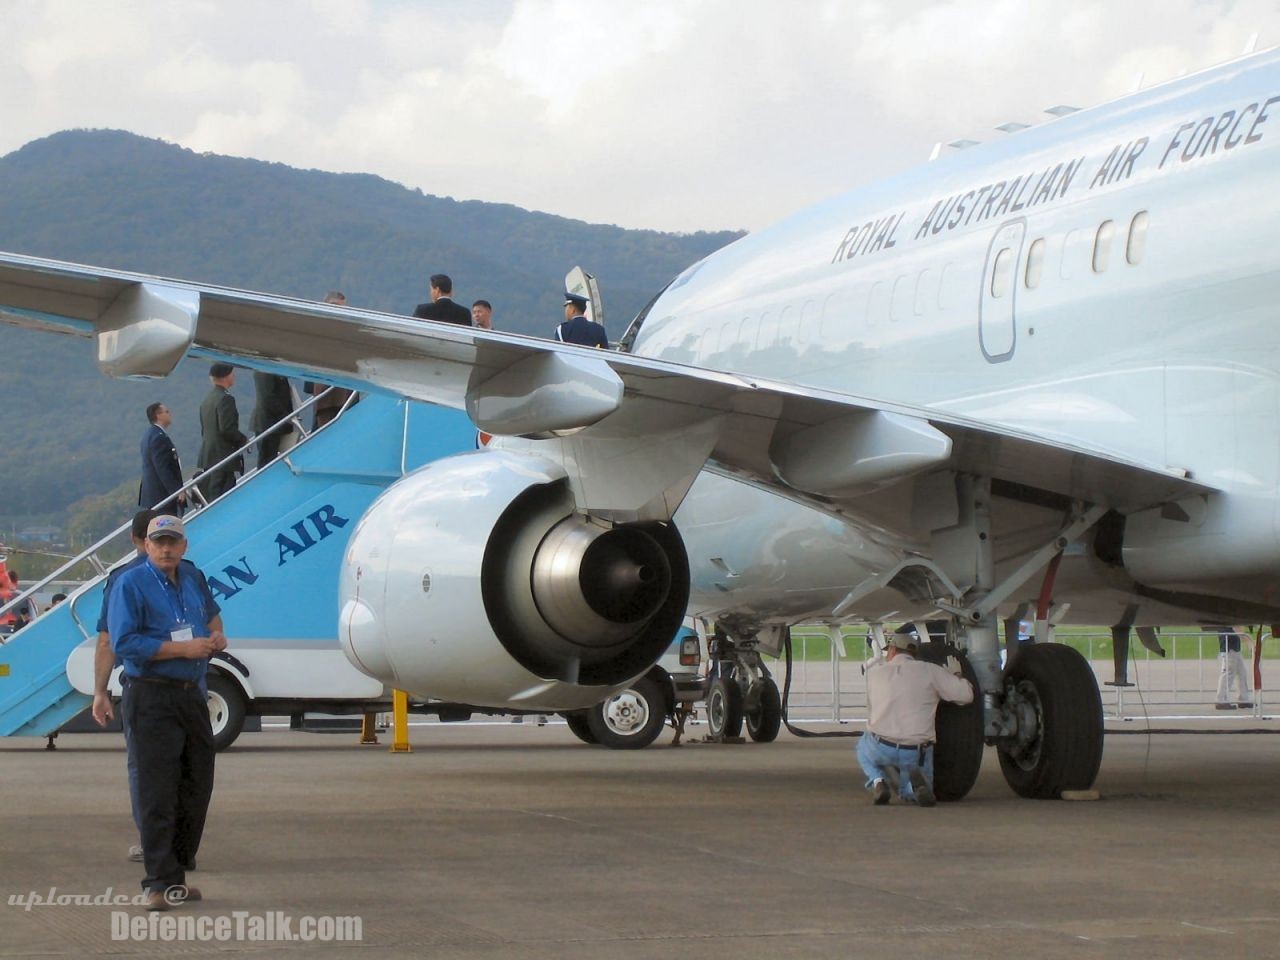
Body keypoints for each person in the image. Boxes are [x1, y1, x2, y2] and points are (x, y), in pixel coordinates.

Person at [108, 514, 224, 910]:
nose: (166, 549)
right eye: (159, 542)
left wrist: (215, 637)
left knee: (195, 785)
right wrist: (183, 649)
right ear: (146, 545)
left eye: (173, 541)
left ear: (184, 546)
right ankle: (156, 883)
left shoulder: (190, 579)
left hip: (191, 694)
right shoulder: (130, 584)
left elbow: (210, 617)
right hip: (151, 693)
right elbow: (124, 642)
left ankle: (176, 876)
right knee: (157, 788)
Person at [858, 632, 974, 806]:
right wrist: (956, 675)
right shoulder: (930, 670)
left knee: (862, 748)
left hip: (882, 744)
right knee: (909, 791)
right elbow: (966, 696)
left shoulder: (876, 674)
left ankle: (877, 781)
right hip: (916, 748)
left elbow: (869, 708)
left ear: (892, 650)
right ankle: (913, 787)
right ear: (914, 653)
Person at [196, 363, 248, 502]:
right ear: (225, 376)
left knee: (213, 494)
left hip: (209, 456)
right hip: (222, 457)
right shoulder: (225, 398)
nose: (234, 375)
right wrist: (243, 439)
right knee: (223, 497)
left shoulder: (207, 399)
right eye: (231, 373)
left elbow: (204, 430)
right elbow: (226, 428)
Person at [306, 292, 356, 429]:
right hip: (326, 396)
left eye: (343, 308)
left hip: (343, 396)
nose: (339, 311)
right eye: (335, 306)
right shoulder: (319, 331)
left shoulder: (345, 333)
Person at [139, 402, 186, 515]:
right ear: (158, 415)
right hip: (162, 495)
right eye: (167, 412)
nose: (170, 414)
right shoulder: (158, 437)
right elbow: (162, 468)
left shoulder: (149, 435)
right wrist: (176, 491)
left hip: (154, 494)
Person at [250, 371, 294, 469]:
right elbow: (267, 398)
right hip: (268, 423)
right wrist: (285, 415)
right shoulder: (264, 371)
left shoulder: (273, 370)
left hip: (274, 422)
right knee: (267, 462)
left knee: (272, 460)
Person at [1215, 625, 1252, 709]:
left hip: (1233, 645)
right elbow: (1237, 627)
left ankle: (1243, 699)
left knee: (1242, 671)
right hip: (1229, 646)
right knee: (1229, 672)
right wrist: (1248, 642)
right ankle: (1221, 700)